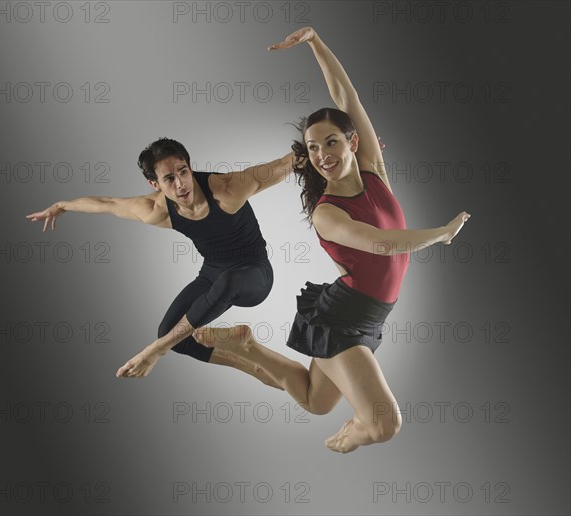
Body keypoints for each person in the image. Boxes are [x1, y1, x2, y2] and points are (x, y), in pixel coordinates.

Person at [193, 27, 471, 453]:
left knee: (314, 400)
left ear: (352, 142)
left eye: (331, 142)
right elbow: (381, 243)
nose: (323, 153)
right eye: (313, 146)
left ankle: (247, 343)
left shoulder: (375, 170)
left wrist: (315, 43)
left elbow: (348, 99)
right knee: (383, 425)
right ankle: (357, 431)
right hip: (342, 320)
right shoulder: (327, 212)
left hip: (371, 317)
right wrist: (441, 233)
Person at [26, 137, 294, 386]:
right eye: (169, 178)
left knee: (172, 334)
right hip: (212, 273)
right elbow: (107, 203)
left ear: (190, 168)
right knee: (172, 334)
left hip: (254, 274)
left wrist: (319, 151)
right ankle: (252, 366)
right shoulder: (155, 210)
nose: (181, 184)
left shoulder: (227, 189)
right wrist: (62, 205)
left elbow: (283, 165)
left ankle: (154, 350)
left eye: (183, 171)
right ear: (155, 184)